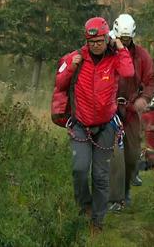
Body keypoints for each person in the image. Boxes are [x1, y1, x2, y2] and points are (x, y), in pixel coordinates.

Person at [54, 17, 134, 234]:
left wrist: (120, 47)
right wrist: (72, 66)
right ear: (86, 41)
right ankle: (85, 205)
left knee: (100, 176)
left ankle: (97, 221)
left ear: (106, 38)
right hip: (80, 125)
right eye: (92, 42)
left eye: (99, 40)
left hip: (106, 126)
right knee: (79, 169)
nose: (96, 45)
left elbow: (128, 73)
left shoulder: (115, 58)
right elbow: (59, 82)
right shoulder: (76, 57)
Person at [111, 13, 154, 208]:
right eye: (122, 39)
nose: (124, 42)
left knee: (131, 156)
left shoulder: (141, 55)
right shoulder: (106, 52)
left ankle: (125, 190)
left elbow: (151, 80)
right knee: (114, 156)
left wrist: (144, 98)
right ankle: (115, 198)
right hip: (109, 110)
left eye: (128, 38)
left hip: (130, 111)